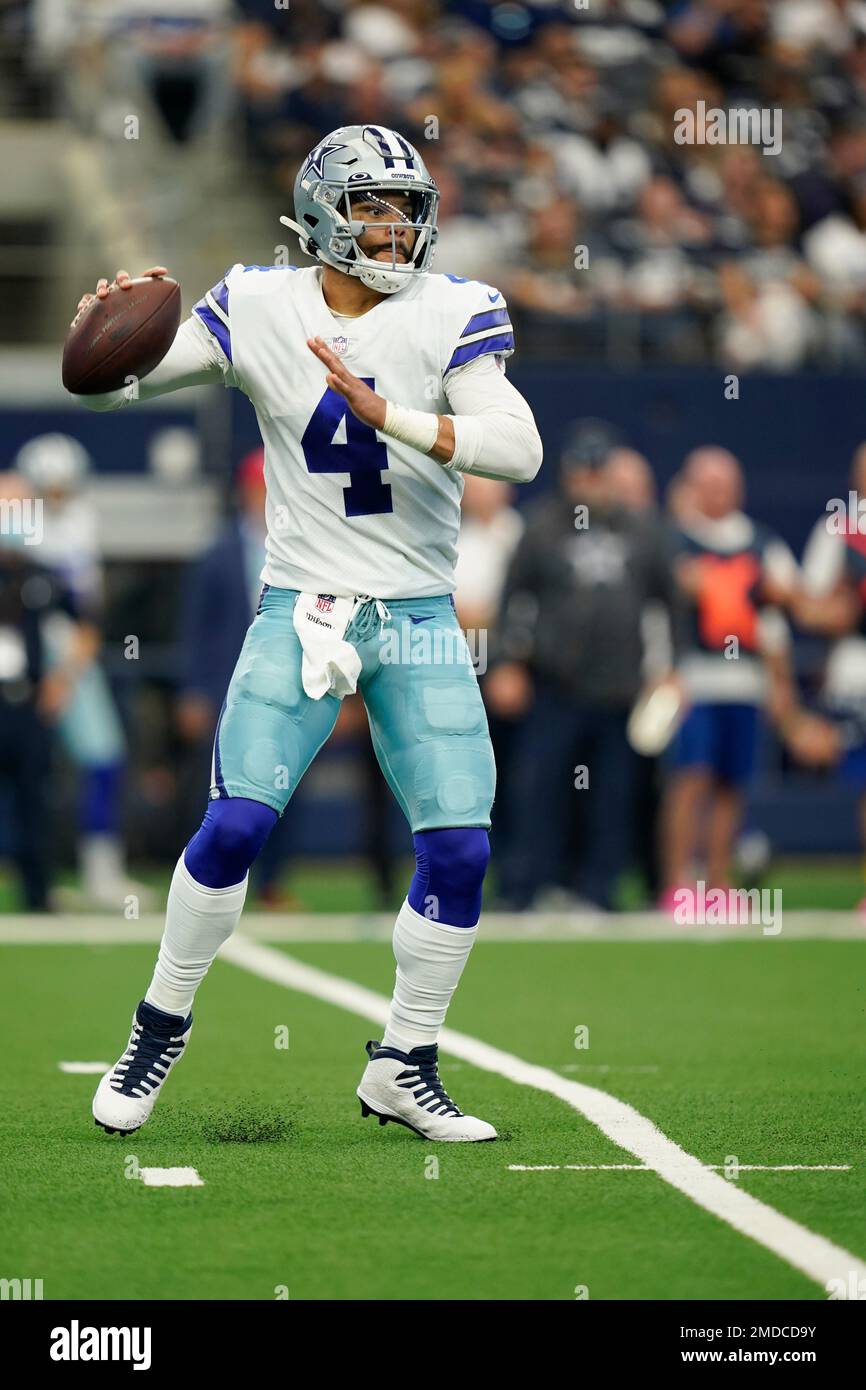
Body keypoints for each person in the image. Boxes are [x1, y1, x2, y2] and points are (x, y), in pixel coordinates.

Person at [69, 124, 543, 1142]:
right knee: (235, 826)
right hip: (305, 604)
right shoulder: (259, 301)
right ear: (323, 211)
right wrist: (106, 335)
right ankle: (159, 1024)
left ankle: (404, 1063)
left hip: (417, 612)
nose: (394, 226)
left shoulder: (455, 309)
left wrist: (393, 416)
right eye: (372, 205)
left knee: (459, 849)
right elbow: (120, 383)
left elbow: (516, 447)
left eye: (406, 208)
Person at [486, 419, 681, 911]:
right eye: (583, 472)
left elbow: (671, 604)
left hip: (620, 687)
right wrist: (507, 662)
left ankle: (599, 889)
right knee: (537, 788)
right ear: (569, 474)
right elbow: (512, 599)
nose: (590, 482)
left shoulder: (643, 531)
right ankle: (527, 887)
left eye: (598, 472)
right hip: (554, 683)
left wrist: (673, 668)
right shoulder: (542, 527)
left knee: (613, 795)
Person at [659, 447, 798, 904]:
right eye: (708, 484)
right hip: (694, 678)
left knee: (731, 784)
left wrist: (781, 686)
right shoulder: (674, 540)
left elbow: (776, 621)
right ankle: (680, 882)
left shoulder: (761, 543)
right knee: (691, 778)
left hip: (745, 681)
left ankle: (718, 882)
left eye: (724, 484)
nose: (717, 494)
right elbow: (660, 613)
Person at [0, 472, 99, 910]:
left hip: (27, 704)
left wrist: (62, 681)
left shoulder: (42, 576)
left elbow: (87, 625)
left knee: (34, 803)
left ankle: (38, 896)